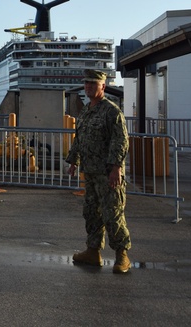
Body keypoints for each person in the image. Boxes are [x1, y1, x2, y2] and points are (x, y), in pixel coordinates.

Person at [66, 69, 132, 273]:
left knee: (113, 213)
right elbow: (80, 137)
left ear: (103, 86)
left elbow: (120, 141)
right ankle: (93, 252)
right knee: (91, 213)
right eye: (86, 84)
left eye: (93, 84)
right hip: (91, 172)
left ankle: (122, 255)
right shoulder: (86, 111)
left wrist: (116, 168)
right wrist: (74, 161)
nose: (89, 87)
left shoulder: (111, 111)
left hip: (107, 173)